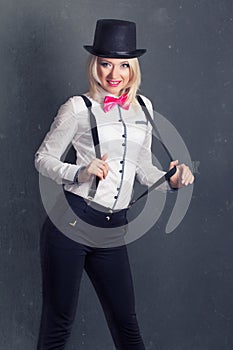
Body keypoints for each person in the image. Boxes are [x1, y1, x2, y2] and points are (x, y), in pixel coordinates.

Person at [35, 19, 194, 350]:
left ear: (132, 67)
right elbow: (43, 159)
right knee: (58, 325)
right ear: (96, 64)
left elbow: (143, 169)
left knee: (126, 324)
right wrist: (79, 172)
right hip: (71, 222)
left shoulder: (145, 108)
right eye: (106, 63)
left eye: (123, 64)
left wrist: (172, 179)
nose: (114, 73)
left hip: (113, 228)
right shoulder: (78, 108)